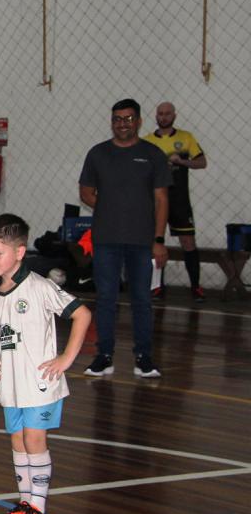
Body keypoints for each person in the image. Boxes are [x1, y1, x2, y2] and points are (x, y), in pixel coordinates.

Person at [0, 213, 91, 514]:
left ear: (20, 252)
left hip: (41, 382)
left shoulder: (40, 288)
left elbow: (82, 314)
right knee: (18, 440)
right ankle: (25, 503)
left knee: (34, 438)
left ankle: (37, 506)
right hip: (9, 383)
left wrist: (66, 358)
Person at [78, 98, 170, 378]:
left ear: (139, 121)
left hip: (142, 242)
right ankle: (104, 356)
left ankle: (144, 357)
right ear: (112, 122)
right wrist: (111, 207)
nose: (122, 124)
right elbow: (86, 193)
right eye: (117, 119)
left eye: (128, 118)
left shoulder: (153, 155)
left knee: (142, 299)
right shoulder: (97, 154)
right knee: (106, 298)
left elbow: (162, 200)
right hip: (105, 239)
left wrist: (158, 239)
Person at [143, 101, 208, 302]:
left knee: (188, 242)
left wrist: (182, 161)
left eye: (167, 113)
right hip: (155, 200)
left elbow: (202, 162)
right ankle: (157, 287)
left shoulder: (185, 138)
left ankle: (196, 287)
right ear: (156, 116)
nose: (163, 117)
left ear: (174, 115)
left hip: (179, 200)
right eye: (160, 114)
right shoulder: (146, 142)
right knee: (155, 241)